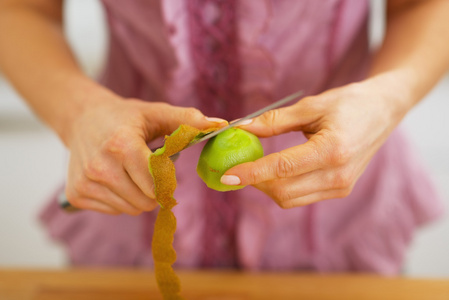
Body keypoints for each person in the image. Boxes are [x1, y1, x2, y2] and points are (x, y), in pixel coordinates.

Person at [0, 0, 448, 273]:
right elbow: (20, 6)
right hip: (121, 206)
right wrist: (80, 114)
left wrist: (387, 97)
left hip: (343, 216)